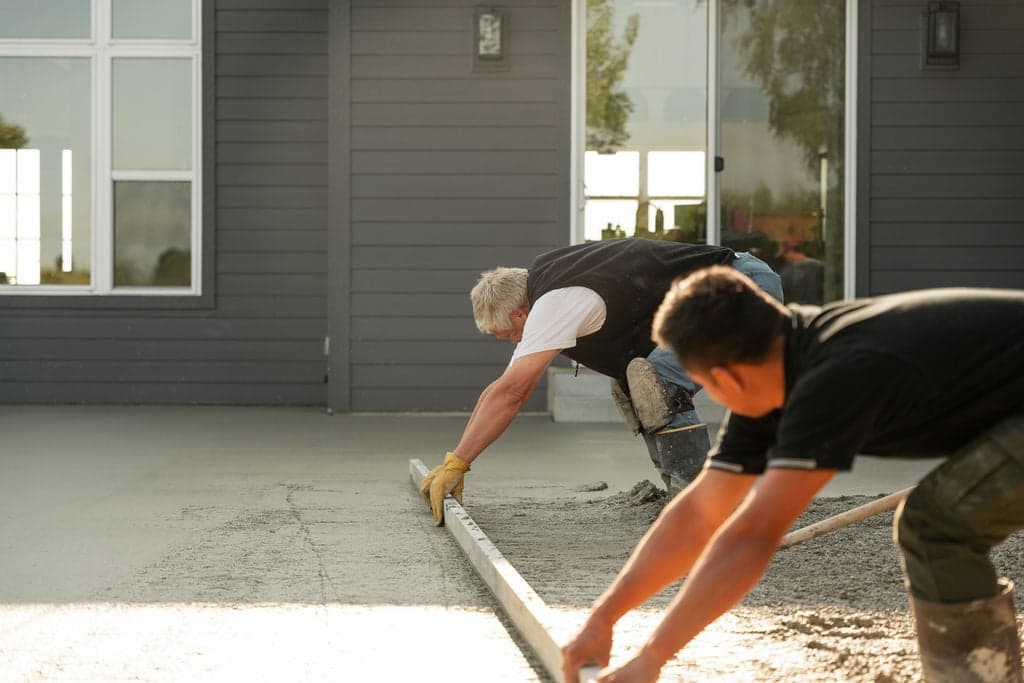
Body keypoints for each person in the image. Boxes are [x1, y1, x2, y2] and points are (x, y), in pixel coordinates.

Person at [562, 265, 1024, 683]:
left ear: (724, 379)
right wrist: (602, 619)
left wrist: (653, 657)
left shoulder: (835, 376)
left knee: (933, 527)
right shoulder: (777, 368)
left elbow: (753, 535)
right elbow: (700, 514)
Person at [419, 238, 783, 525]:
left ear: (520, 312)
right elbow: (502, 386)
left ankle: (707, 511)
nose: (512, 341)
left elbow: (513, 393)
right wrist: (454, 459)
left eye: (508, 333)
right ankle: (688, 498)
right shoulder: (547, 294)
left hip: (743, 287)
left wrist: (462, 462)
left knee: (659, 382)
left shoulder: (555, 303)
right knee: (635, 384)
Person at [778, 240, 825, 304]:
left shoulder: (788, 271)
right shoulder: (819, 266)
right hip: (817, 307)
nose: (784, 257)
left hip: (796, 308)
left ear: (791, 251)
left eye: (785, 253)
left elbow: (779, 289)